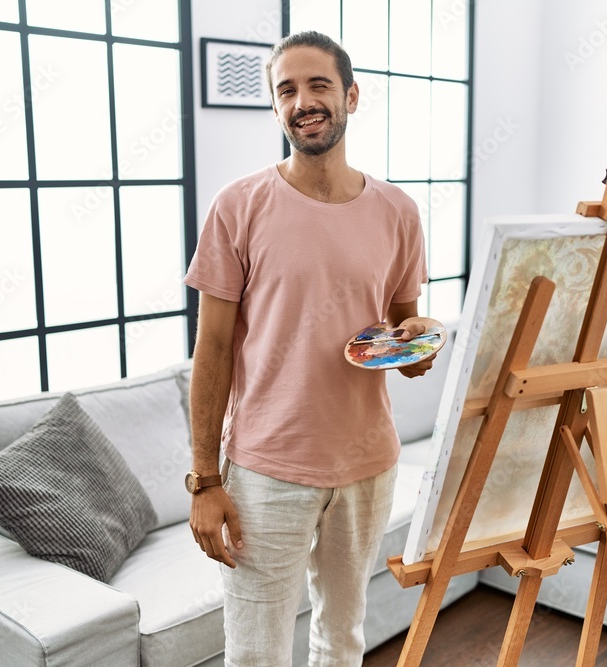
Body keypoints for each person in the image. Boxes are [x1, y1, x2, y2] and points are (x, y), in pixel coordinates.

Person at [183, 30, 436, 667]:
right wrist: (204, 481)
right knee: (254, 654)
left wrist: (417, 344)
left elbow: (406, 332)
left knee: (343, 640)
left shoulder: (398, 211)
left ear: (351, 95)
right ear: (275, 108)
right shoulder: (237, 206)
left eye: (319, 85)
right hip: (266, 470)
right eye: (287, 90)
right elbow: (211, 350)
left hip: (369, 465)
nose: (304, 101)